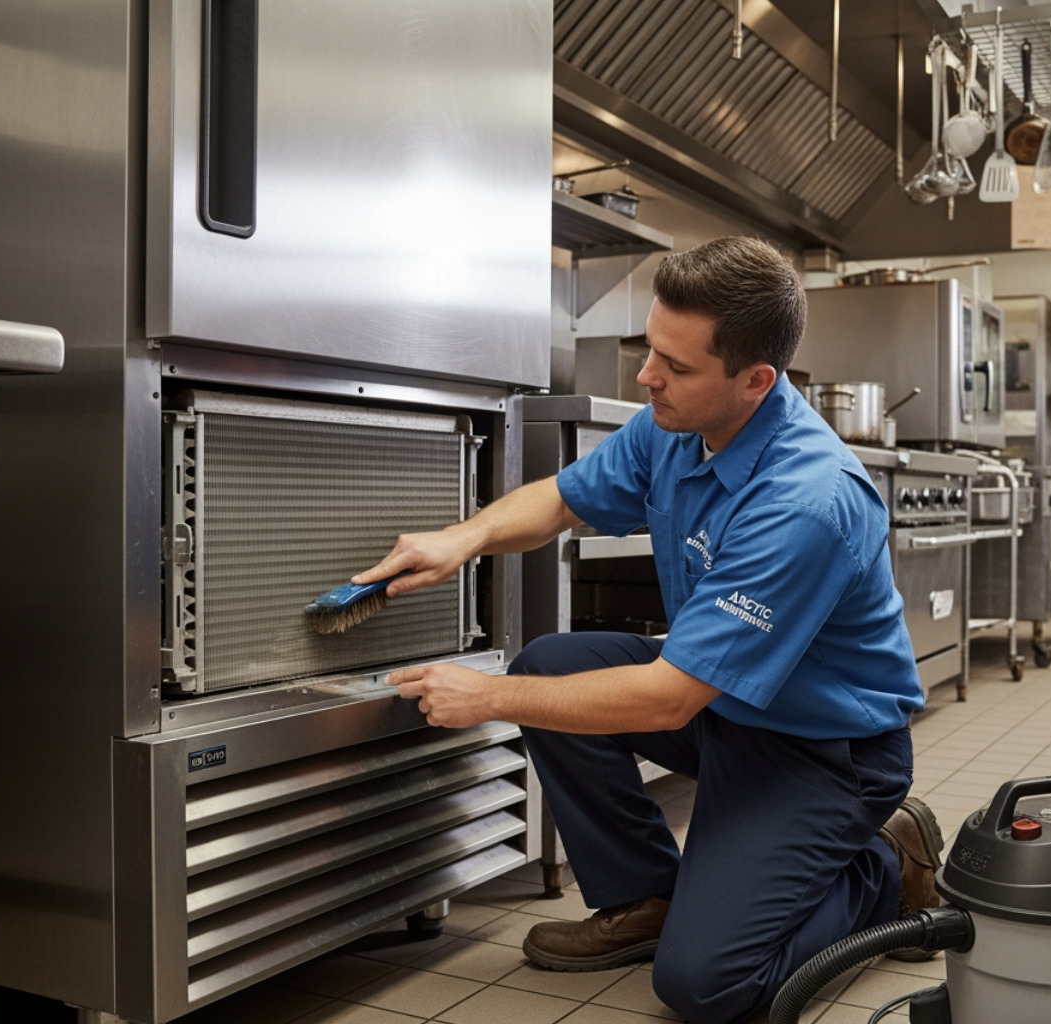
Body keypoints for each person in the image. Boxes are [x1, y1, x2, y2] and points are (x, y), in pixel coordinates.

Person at [354, 235, 943, 1024]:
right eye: (648, 348)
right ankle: (647, 898)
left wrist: (490, 697)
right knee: (554, 664)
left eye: (677, 365)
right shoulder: (674, 426)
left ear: (755, 382)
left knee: (708, 987)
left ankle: (882, 867)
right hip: (725, 709)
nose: (646, 377)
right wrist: (462, 539)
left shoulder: (805, 500)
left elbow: (667, 700)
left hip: (823, 751)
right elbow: (562, 499)